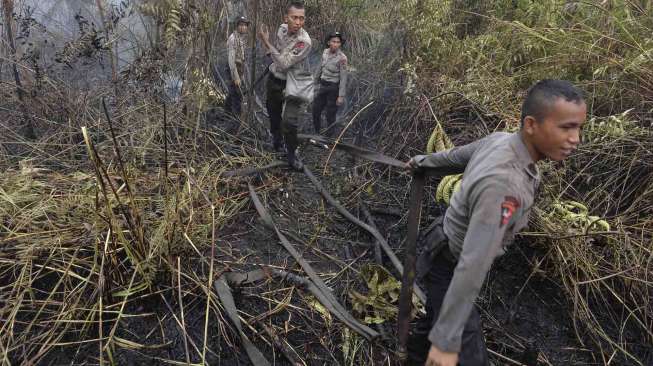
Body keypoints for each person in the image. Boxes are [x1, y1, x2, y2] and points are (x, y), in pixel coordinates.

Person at [405, 79, 587, 366]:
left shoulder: (501, 140)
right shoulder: (505, 183)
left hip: (440, 244)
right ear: (531, 125)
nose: (575, 138)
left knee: (434, 320)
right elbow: (472, 263)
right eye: (566, 127)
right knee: (469, 355)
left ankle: (413, 356)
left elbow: (456, 157)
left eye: (578, 127)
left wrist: (422, 161)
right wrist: (446, 342)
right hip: (451, 265)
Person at [258, 1, 312, 170]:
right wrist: (269, 48)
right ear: (286, 18)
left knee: (289, 122)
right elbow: (278, 52)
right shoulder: (281, 29)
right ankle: (277, 141)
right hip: (275, 79)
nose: (298, 22)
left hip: (293, 83)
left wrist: (266, 42)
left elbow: (283, 63)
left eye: (301, 18)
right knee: (273, 113)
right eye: (294, 18)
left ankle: (292, 153)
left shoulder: (304, 41)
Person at [312, 31, 348, 135]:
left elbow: (343, 78)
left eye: (338, 42)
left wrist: (341, 96)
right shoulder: (325, 52)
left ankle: (329, 137)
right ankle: (317, 133)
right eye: (334, 41)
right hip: (323, 86)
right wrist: (314, 82)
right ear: (329, 42)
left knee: (330, 114)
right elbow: (320, 67)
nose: (336, 44)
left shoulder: (342, 58)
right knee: (316, 110)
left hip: (333, 88)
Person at [225, 16, 250, 117]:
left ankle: (226, 111)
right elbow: (231, 61)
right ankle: (236, 117)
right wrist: (236, 77)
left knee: (233, 93)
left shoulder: (240, 38)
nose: (243, 27)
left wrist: (241, 74)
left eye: (245, 25)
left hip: (239, 67)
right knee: (237, 95)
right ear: (237, 26)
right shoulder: (233, 39)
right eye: (241, 25)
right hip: (233, 68)